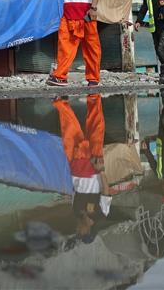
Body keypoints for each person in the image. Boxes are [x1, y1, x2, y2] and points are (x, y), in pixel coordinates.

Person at [53, 94, 112, 241]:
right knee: (96, 127)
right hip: (93, 166)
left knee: (69, 132)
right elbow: (106, 192)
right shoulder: (101, 214)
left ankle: (60, 102)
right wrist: (101, 170)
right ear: (87, 231)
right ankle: (94, 97)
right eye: (80, 231)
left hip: (75, 166)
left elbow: (72, 190)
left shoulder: (76, 212)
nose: (77, 229)